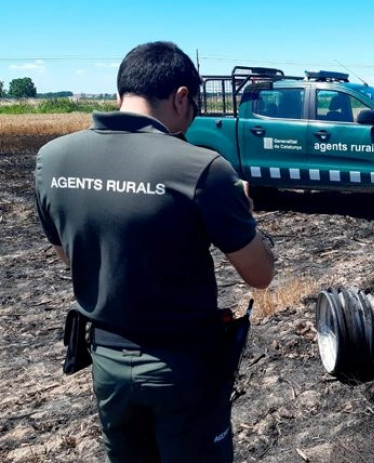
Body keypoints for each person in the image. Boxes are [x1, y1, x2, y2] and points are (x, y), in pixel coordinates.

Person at [34, 41, 275, 462]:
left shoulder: (52, 160)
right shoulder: (201, 168)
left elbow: (69, 256)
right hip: (182, 367)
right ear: (182, 97)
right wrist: (248, 218)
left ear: (120, 94)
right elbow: (260, 274)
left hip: (106, 361)